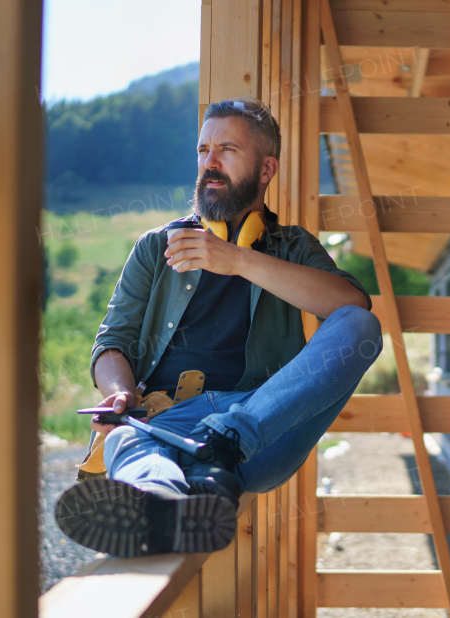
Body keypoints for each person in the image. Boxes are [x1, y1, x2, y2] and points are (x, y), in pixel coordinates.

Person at [53, 96, 381, 557]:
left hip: (258, 430)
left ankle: (217, 446)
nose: (210, 162)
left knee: (360, 326)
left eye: (226, 150)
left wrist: (240, 261)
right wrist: (121, 392)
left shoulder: (291, 246)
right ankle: (164, 504)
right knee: (128, 434)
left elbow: (351, 306)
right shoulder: (155, 247)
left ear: (266, 170)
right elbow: (113, 342)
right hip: (165, 418)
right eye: (203, 150)